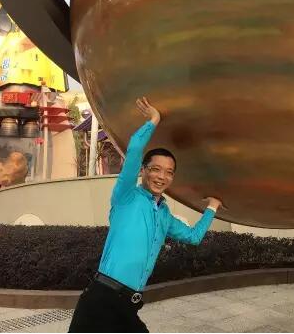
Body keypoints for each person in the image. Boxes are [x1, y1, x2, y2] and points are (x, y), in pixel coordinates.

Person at [68, 97, 223, 333]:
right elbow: (134, 151)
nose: (161, 177)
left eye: (168, 172)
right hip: (102, 298)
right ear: (143, 170)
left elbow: (193, 237)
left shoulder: (164, 215)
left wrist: (212, 207)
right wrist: (153, 120)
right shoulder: (126, 196)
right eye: (155, 169)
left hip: (129, 304)